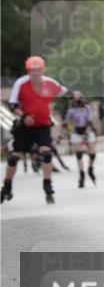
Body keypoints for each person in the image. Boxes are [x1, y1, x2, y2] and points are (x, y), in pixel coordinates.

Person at [2, 56, 69, 204]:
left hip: (42, 126)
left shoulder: (50, 83)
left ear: (42, 70)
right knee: (14, 157)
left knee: (46, 154)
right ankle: (7, 186)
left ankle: (47, 185)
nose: (35, 73)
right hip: (24, 127)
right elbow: (13, 105)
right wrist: (24, 116)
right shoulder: (21, 83)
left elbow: (65, 91)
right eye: (32, 70)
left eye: (38, 70)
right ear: (28, 71)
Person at [63, 91, 98, 188]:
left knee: (92, 153)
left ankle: (90, 168)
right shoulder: (71, 111)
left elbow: (90, 120)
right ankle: (81, 175)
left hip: (87, 131)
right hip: (76, 132)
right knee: (79, 155)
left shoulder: (87, 108)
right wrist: (67, 133)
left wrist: (90, 131)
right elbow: (69, 123)